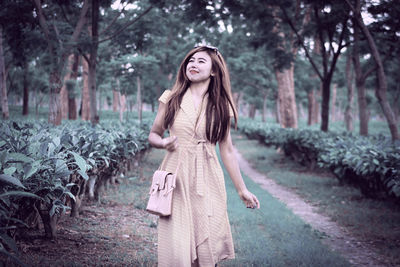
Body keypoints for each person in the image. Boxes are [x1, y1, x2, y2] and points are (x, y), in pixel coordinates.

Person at [148, 45, 260, 267]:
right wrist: (162, 143)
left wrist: (241, 189)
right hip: (176, 176)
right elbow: (154, 134)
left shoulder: (221, 105)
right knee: (177, 240)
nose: (193, 64)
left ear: (213, 71)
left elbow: (226, 149)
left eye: (201, 61)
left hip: (208, 176)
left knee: (208, 239)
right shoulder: (170, 98)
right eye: (191, 60)